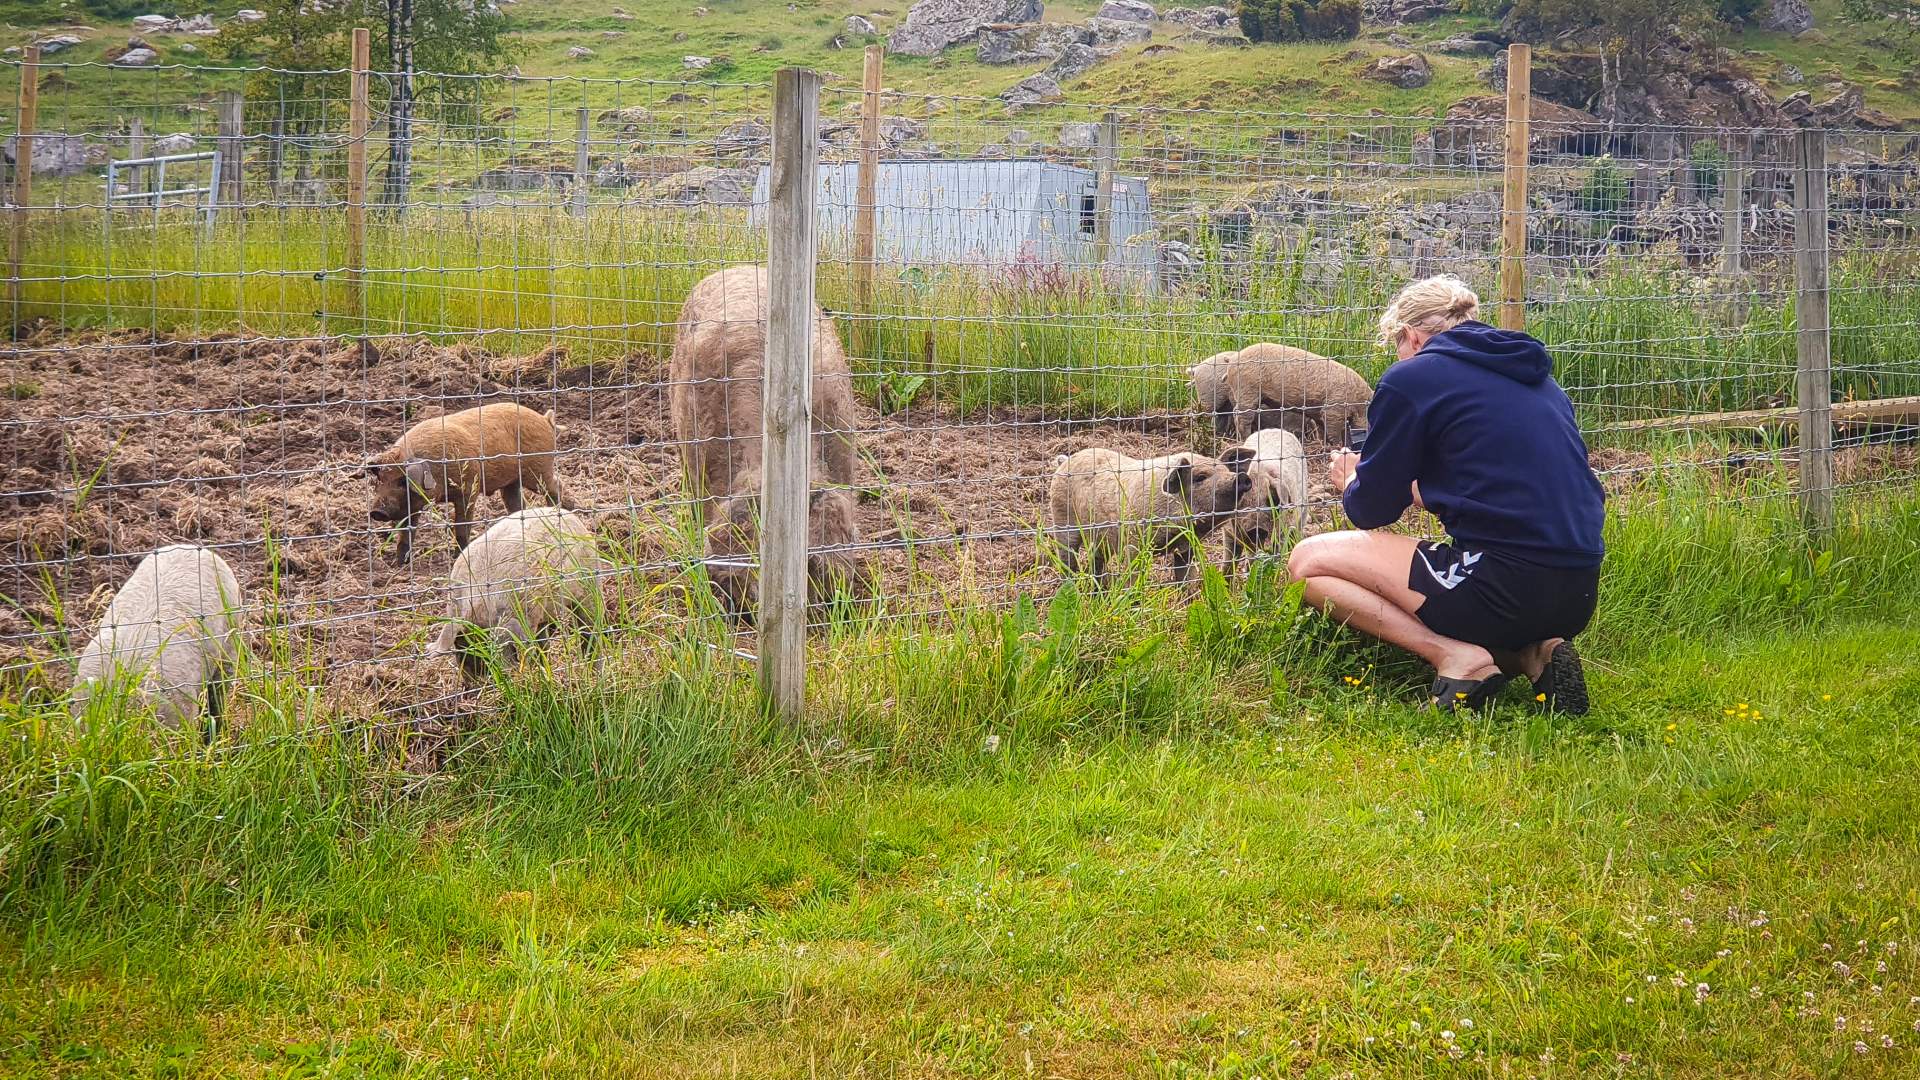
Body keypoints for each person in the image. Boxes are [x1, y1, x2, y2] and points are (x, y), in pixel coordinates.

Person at [1285, 275, 1606, 713]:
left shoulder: (1412, 378)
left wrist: (1352, 481)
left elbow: (1371, 509)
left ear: (1411, 336)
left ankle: (1454, 656)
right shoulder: (1535, 377)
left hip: (1505, 587)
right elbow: (1484, 488)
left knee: (1308, 563)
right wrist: (1415, 485)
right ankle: (1532, 654)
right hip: (1577, 590)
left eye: (1395, 346)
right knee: (1487, 574)